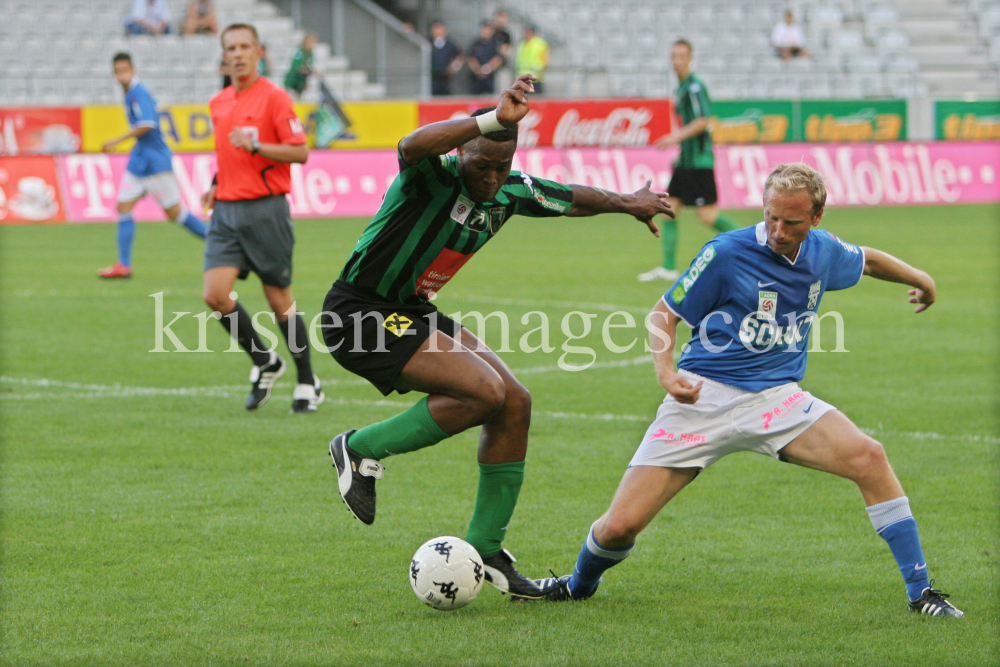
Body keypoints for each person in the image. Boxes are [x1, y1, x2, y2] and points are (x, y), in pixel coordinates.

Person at [518, 163, 965, 618]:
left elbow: (866, 259)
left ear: (817, 218)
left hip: (776, 399)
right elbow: (663, 313)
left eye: (791, 222)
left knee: (869, 457)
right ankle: (577, 585)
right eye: (771, 217)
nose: (777, 230)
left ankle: (921, 592)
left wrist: (921, 279)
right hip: (702, 398)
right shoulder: (726, 253)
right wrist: (665, 372)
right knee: (619, 527)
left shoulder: (824, 251)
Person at [322, 74, 675, 599]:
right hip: (359, 314)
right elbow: (409, 144)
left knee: (514, 402)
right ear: (461, 151)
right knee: (483, 392)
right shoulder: (430, 176)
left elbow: (570, 197)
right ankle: (359, 448)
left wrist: (629, 202)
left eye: (501, 167)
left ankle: (486, 549)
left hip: (413, 310)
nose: (491, 178)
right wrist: (493, 120)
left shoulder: (509, 190)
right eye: (481, 164)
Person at [201, 23, 324, 414]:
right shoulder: (218, 102)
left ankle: (308, 381)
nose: (237, 54)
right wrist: (216, 182)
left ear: (258, 52)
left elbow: (300, 152)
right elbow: (229, 155)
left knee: (279, 301)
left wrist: (256, 145)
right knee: (215, 295)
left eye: (244, 47)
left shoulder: (275, 98)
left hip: (266, 210)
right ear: (224, 56)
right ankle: (265, 361)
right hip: (225, 210)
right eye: (231, 47)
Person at [97, 53, 208, 279]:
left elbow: (147, 124)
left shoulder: (139, 93)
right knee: (123, 207)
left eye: (125, 69)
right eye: (117, 71)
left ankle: (221, 243)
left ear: (133, 69)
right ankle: (124, 264)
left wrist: (116, 140)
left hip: (155, 161)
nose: (121, 75)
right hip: (140, 161)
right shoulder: (129, 93)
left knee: (175, 214)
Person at [639, 39, 741, 283]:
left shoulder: (695, 87)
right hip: (685, 162)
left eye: (682, 56)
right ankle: (668, 267)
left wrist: (675, 137)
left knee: (707, 216)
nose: (677, 61)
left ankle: (755, 246)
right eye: (674, 56)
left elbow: (704, 120)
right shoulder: (682, 87)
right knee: (668, 211)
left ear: (690, 59)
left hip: (699, 162)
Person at [468, 22, 504, 95]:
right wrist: (478, 70)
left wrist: (487, 69)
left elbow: (498, 59)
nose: (486, 32)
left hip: (490, 78)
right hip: (476, 78)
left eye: (488, 30)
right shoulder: (476, 43)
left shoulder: (495, 43)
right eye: (484, 30)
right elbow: (471, 58)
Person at [429, 20, 463, 96]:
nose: (438, 31)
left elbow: (460, 56)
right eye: (435, 29)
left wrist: (454, 67)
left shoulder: (450, 44)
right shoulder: (428, 42)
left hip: (445, 77)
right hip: (432, 76)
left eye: (440, 28)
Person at [284, 33, 319, 100]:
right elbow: (298, 68)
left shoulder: (310, 54)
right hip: (293, 84)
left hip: (300, 86)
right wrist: (312, 71)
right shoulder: (300, 52)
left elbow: (307, 70)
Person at [515, 25, 549, 95]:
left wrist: (541, 73)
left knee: (536, 99)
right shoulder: (522, 43)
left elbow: (545, 60)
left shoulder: (540, 43)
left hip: (535, 78)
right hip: (523, 78)